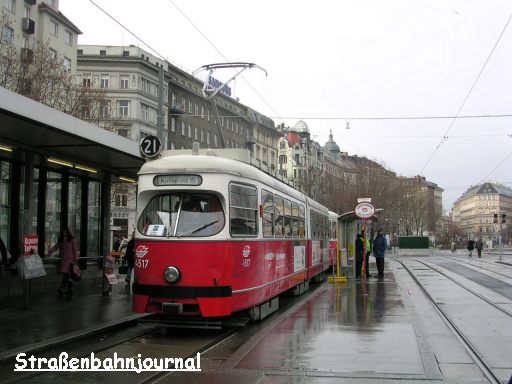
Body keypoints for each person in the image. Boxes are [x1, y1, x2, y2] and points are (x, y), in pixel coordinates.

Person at [48, 227, 79, 296]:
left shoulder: (72, 240)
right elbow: (56, 247)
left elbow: (75, 250)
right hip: (64, 261)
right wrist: (50, 251)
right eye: (63, 231)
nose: (64, 233)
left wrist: (76, 261)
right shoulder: (61, 240)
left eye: (66, 231)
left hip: (71, 261)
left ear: (68, 232)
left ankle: (62, 288)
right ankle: (69, 288)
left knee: (66, 276)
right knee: (66, 275)